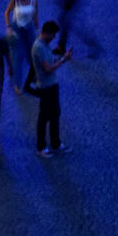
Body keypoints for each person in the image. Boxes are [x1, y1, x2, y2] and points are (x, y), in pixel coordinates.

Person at [28, 20, 69, 155]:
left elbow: (50, 62)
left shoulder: (44, 45)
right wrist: (63, 60)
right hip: (45, 87)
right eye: (53, 35)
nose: (54, 38)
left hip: (52, 85)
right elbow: (47, 69)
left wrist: (61, 58)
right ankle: (41, 146)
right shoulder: (39, 47)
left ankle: (55, 142)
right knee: (44, 116)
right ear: (47, 33)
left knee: (55, 114)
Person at [3, 0, 39, 85]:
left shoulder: (33, 0)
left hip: (29, 27)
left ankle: (34, 76)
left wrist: (37, 29)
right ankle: (17, 83)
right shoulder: (15, 1)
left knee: (32, 54)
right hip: (16, 28)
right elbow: (6, 13)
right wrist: (8, 27)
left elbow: (35, 15)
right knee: (17, 56)